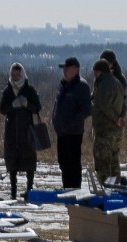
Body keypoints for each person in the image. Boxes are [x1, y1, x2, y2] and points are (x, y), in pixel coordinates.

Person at [0, 63, 41, 200]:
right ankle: (13, 191)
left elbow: (37, 108)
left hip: (27, 131)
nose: (16, 77)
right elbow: (2, 109)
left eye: (18, 74)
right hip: (11, 131)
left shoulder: (29, 90)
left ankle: (29, 190)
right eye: (14, 75)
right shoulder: (7, 91)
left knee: (29, 161)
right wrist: (12, 105)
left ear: (23, 74)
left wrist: (27, 104)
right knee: (12, 162)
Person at [50, 56, 89, 191]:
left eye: (67, 68)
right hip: (62, 133)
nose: (64, 71)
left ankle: (74, 190)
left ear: (75, 69)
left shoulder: (81, 86)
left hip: (73, 133)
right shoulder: (63, 85)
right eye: (63, 68)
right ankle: (67, 188)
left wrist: (72, 123)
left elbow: (86, 109)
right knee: (63, 164)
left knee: (73, 164)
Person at [90, 55, 127, 186]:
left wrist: (116, 119)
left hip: (104, 131)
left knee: (102, 162)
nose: (94, 75)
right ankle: (116, 187)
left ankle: (105, 188)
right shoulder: (118, 83)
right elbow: (124, 104)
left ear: (99, 71)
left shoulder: (103, 85)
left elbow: (104, 105)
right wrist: (121, 118)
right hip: (116, 132)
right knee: (114, 161)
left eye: (95, 72)